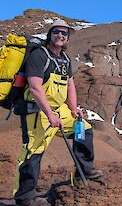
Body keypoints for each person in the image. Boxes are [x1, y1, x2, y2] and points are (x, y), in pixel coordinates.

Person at [13, 20, 102, 206]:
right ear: (50, 34)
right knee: (32, 152)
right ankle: (24, 198)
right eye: (56, 32)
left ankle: (84, 171)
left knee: (84, 130)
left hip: (59, 109)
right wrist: (50, 115)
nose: (60, 35)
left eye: (64, 33)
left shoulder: (65, 59)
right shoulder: (39, 56)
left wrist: (73, 108)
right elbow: (36, 88)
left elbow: (70, 85)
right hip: (37, 111)